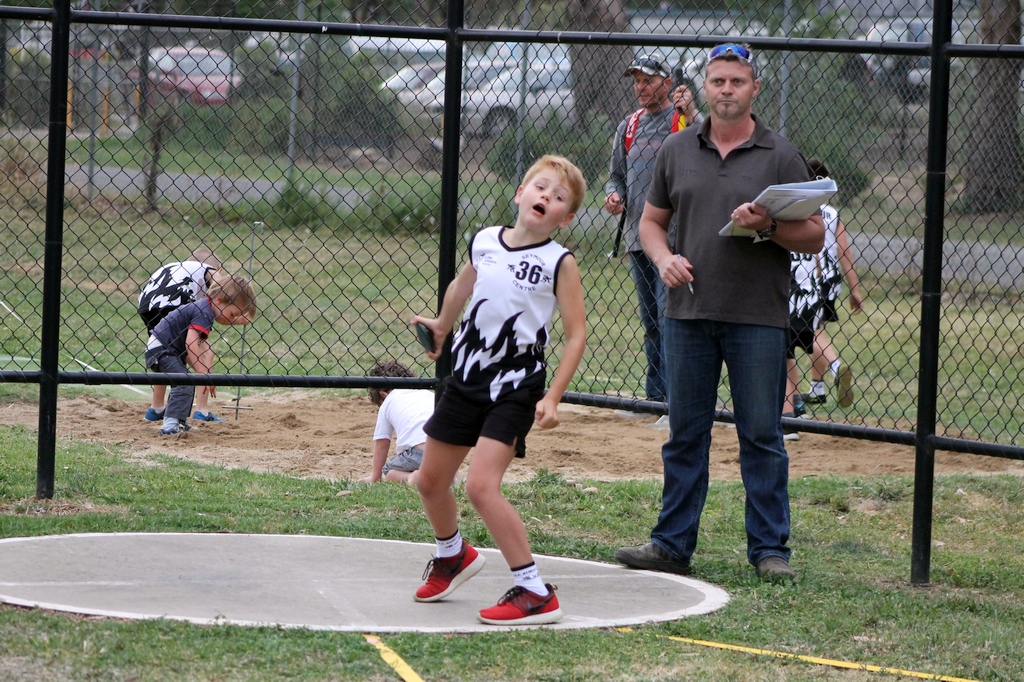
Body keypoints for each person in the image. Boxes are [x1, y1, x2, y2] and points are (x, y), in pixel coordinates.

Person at [615, 44, 825, 580]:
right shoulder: (677, 148)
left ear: (754, 88)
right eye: (718, 81)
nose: (727, 90)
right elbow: (651, 222)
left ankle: (770, 551)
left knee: (761, 436)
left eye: (737, 81)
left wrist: (768, 226)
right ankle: (671, 545)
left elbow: (815, 236)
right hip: (687, 314)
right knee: (686, 434)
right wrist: (663, 259)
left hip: (757, 317)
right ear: (704, 87)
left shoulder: (780, 154)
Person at [410, 154, 587, 626]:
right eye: (540, 187)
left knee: (481, 486)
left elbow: (576, 335)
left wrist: (553, 396)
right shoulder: (485, 240)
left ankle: (535, 591)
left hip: (515, 385)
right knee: (429, 481)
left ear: (566, 218)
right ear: (520, 193)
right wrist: (442, 325)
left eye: (559, 196)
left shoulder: (558, 262)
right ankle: (452, 555)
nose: (546, 196)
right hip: (468, 376)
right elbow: (461, 286)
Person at [604, 52, 682, 410]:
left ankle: (675, 399)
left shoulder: (680, 120)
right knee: (650, 319)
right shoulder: (629, 126)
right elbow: (615, 176)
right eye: (637, 81)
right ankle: (656, 395)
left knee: (669, 317)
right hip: (637, 237)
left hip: (674, 238)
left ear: (667, 82)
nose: (640, 87)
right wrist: (614, 194)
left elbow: (705, 144)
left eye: (648, 80)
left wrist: (691, 112)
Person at [144, 274, 257, 436]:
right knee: (184, 382)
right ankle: (170, 425)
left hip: (166, 349)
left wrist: (203, 373)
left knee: (187, 380)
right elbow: (191, 343)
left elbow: (193, 347)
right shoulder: (204, 312)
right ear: (219, 300)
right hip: (161, 350)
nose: (232, 319)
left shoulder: (204, 309)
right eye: (233, 314)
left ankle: (179, 421)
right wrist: (203, 374)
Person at [799, 157, 865, 409]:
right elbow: (844, 252)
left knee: (812, 333)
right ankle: (817, 388)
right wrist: (855, 289)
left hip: (810, 278)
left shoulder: (801, 210)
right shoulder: (833, 214)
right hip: (831, 279)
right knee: (818, 329)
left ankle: (836, 368)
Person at [138, 248, 224, 423]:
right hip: (175, 301)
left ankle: (156, 408)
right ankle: (202, 410)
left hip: (147, 304)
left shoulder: (178, 268)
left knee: (165, 352)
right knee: (205, 352)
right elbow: (221, 287)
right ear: (218, 269)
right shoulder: (209, 271)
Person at [359, 360, 435, 485]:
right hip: (444, 451)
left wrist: (375, 476)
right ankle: (452, 478)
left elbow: (382, 443)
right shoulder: (428, 394)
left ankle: (412, 477)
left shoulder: (388, 401)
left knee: (389, 471)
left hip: (418, 453)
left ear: (383, 394)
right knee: (445, 471)